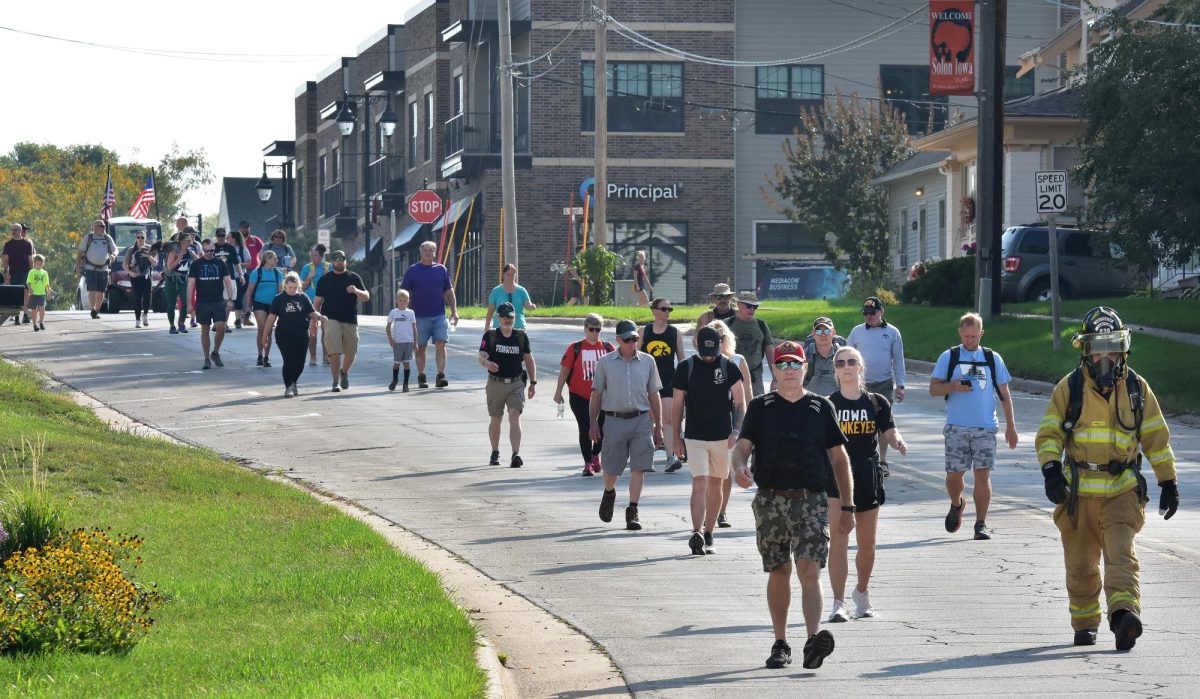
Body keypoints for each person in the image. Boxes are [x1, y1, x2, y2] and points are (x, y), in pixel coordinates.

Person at [1035, 307, 1178, 650]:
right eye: (1098, 349)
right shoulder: (1069, 389)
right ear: (1085, 351)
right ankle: (1085, 623)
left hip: (1122, 491)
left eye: (1111, 348)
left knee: (1120, 554)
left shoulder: (1136, 389)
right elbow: (1050, 434)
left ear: (1122, 350)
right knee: (1081, 562)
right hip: (1079, 494)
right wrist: (1052, 469)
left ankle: (1123, 616)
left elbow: (1156, 438)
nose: (1105, 357)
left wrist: (1168, 481)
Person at [731, 341, 852, 671]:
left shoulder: (821, 407)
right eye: (782, 364)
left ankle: (813, 641)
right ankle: (781, 642)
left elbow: (839, 460)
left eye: (794, 364)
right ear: (774, 370)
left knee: (809, 568)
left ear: (805, 368)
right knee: (779, 570)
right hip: (770, 499)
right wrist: (739, 468)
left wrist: (849, 505)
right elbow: (742, 448)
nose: (788, 370)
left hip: (811, 499)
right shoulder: (761, 407)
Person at [825, 346, 907, 623]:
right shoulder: (828, 404)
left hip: (867, 473)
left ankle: (861, 592)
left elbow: (889, 428)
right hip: (837, 477)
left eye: (851, 362)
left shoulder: (876, 402)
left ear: (861, 367)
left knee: (867, 544)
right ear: (835, 369)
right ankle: (837, 602)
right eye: (840, 363)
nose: (846, 366)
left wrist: (897, 441)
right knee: (838, 540)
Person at [929, 312, 1018, 541]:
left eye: (974, 336)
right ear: (960, 333)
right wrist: (953, 386)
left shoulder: (992, 358)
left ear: (981, 334)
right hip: (957, 426)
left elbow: (1005, 395)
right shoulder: (949, 357)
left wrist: (1011, 427)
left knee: (982, 474)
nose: (970, 340)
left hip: (985, 427)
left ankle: (981, 523)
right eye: (967, 336)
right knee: (954, 475)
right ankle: (957, 503)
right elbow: (934, 390)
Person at [672, 325, 746, 555]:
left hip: (722, 438)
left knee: (716, 485)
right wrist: (676, 437)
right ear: (696, 344)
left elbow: (741, 403)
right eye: (704, 351)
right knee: (700, 483)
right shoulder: (686, 368)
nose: (707, 357)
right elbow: (676, 407)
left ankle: (709, 533)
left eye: (711, 352)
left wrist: (736, 430)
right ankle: (696, 531)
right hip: (694, 437)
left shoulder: (728, 367)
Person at [589, 320, 664, 532]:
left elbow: (654, 394)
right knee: (611, 469)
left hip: (641, 419)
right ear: (619, 340)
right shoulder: (605, 363)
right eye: (628, 339)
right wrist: (593, 423)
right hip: (613, 419)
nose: (633, 343)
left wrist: (658, 426)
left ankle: (633, 510)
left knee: (639, 467)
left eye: (635, 339)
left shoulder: (648, 362)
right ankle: (609, 491)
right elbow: (596, 394)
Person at [847, 296, 907, 468]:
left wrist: (900, 385)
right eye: (866, 313)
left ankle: (882, 460)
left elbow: (898, 360)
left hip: (884, 383)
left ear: (881, 312)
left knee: (883, 422)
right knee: (861, 422)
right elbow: (846, 356)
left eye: (873, 312)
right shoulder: (856, 331)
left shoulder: (893, 332)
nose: (869, 316)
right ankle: (861, 456)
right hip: (861, 383)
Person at [554, 314, 614, 476]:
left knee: (603, 428)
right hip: (579, 395)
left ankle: (595, 455)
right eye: (592, 329)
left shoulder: (608, 348)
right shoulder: (576, 347)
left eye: (598, 330)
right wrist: (558, 392)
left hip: (603, 397)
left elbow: (616, 371)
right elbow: (565, 371)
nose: (595, 333)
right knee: (585, 427)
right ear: (585, 329)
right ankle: (587, 462)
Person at [478, 302, 537, 468]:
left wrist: (533, 382)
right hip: (495, 383)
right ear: (498, 318)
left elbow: (529, 360)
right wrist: (487, 364)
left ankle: (515, 453)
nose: (507, 320)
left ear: (514, 318)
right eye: (504, 317)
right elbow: (481, 356)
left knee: (514, 415)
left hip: (516, 383)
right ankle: (495, 451)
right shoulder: (490, 336)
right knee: (496, 418)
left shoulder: (520, 336)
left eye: (510, 317)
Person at [708, 320, 754, 529]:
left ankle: (722, 512)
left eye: (721, 337)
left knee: (725, 470)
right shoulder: (701, 360)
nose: (718, 341)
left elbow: (747, 394)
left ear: (727, 339)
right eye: (712, 338)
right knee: (709, 471)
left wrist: (748, 425)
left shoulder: (737, 360)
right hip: (709, 418)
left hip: (733, 414)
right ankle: (709, 510)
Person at [399, 241, 459, 389]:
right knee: (421, 347)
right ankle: (421, 376)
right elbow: (403, 293)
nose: (428, 253)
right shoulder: (413, 271)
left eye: (431, 250)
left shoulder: (441, 270)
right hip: (419, 316)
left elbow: (449, 292)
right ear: (421, 252)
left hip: (439, 315)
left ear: (434, 252)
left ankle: (440, 375)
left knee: (441, 343)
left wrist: (454, 311)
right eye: (425, 250)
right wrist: (402, 314)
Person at [639, 297, 686, 472]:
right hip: (646, 380)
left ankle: (670, 457)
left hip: (668, 380)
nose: (667, 312)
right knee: (649, 419)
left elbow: (681, 359)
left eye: (669, 309)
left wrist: (685, 383)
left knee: (667, 418)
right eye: (664, 309)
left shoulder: (675, 332)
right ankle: (647, 458)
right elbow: (635, 355)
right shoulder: (644, 331)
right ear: (654, 311)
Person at [315, 250, 369, 393]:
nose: (339, 261)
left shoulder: (354, 277)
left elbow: (366, 297)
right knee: (334, 351)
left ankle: (344, 372)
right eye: (336, 259)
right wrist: (315, 320)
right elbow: (317, 302)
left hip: (350, 319)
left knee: (351, 352)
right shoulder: (324, 280)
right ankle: (334, 381)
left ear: (346, 261)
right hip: (330, 319)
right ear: (332, 262)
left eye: (342, 259)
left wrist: (356, 291)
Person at [263, 272, 324, 398]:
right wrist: (265, 335)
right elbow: (271, 318)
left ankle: (294, 381)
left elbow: (312, 312)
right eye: (290, 287)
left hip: (302, 335)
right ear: (285, 285)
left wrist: (320, 317)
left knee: (300, 363)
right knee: (289, 360)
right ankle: (288, 387)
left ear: (299, 286)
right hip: (284, 335)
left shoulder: (303, 297)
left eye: (295, 288)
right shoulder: (279, 299)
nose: (292, 290)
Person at [186, 239, 235, 370]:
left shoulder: (220, 263)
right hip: (202, 302)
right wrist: (189, 304)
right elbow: (190, 285)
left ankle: (215, 352)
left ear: (214, 250)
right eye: (207, 251)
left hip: (218, 301)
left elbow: (228, 282)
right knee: (205, 330)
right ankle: (206, 358)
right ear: (202, 250)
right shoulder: (196, 264)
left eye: (212, 251)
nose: (209, 253)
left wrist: (230, 299)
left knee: (221, 327)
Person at [724, 291, 775, 397]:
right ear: (739, 305)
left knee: (757, 410)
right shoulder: (727, 324)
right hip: (730, 378)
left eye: (755, 306)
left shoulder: (762, 326)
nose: (752, 309)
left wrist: (776, 378)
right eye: (748, 306)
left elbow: (770, 353)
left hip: (755, 379)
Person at [247, 250, 284, 367]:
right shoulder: (256, 273)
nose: (275, 260)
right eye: (273, 258)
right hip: (259, 303)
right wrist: (247, 307)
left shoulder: (278, 273)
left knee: (268, 331)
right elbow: (250, 291)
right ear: (266, 259)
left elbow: (280, 291)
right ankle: (259, 355)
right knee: (262, 329)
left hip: (273, 305)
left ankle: (266, 357)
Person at [76, 219, 117, 320]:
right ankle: (93, 309)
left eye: (104, 226)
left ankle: (96, 310)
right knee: (92, 290)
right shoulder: (89, 237)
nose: (104, 228)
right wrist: (77, 266)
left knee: (101, 291)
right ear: (95, 228)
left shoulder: (107, 238)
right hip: (90, 268)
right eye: (101, 226)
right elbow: (80, 252)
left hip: (104, 269)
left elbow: (115, 249)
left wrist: (113, 255)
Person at [164, 229, 199, 334]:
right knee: (171, 302)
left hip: (184, 279)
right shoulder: (174, 251)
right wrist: (178, 258)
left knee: (185, 302)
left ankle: (181, 323)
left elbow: (198, 261)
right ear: (182, 242)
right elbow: (169, 267)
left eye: (190, 240)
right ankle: (172, 326)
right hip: (171, 279)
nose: (191, 241)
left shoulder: (190, 251)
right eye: (188, 240)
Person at [300, 244, 330, 365]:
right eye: (311, 256)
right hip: (311, 302)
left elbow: (335, 285)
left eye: (315, 256)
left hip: (326, 302)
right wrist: (308, 277)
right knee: (312, 330)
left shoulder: (329, 267)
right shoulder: (307, 268)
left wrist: (328, 275)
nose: (313, 258)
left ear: (322, 256)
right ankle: (313, 357)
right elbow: (301, 287)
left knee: (326, 330)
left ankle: (326, 356)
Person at [803, 317, 846, 397]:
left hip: (835, 404)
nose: (823, 334)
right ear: (813, 334)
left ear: (833, 332)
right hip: (810, 404)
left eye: (827, 331)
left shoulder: (843, 356)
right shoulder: (804, 356)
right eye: (818, 331)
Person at [122, 230, 158, 328]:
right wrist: (130, 273)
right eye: (138, 237)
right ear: (136, 238)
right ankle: (137, 320)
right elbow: (124, 265)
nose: (140, 239)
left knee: (147, 297)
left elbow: (155, 263)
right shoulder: (131, 250)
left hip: (146, 276)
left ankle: (145, 314)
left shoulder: (150, 248)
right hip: (136, 276)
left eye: (142, 237)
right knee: (138, 298)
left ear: (145, 238)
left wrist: (148, 255)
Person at [486, 263, 537, 330]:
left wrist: (531, 307)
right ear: (503, 275)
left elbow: (528, 305)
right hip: (500, 328)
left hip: (518, 327)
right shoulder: (496, 291)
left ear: (515, 275)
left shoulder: (522, 290)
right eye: (508, 274)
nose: (510, 276)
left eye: (512, 274)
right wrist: (487, 327)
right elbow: (490, 311)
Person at [386, 289, 419, 392]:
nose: (402, 302)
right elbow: (388, 327)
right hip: (398, 342)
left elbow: (414, 328)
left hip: (408, 342)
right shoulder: (393, 313)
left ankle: (405, 384)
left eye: (404, 300)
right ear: (397, 301)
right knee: (396, 363)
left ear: (408, 301)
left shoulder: (410, 313)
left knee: (406, 363)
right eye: (400, 300)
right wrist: (391, 339)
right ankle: (395, 380)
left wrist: (415, 342)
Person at [3, 223, 35, 324]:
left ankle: (25, 315)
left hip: (26, 271)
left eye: (16, 229)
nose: (13, 231)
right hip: (13, 272)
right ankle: (16, 315)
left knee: (25, 292)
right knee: (15, 294)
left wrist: (32, 272)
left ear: (20, 231)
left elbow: (30, 259)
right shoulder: (8, 244)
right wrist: (6, 272)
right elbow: (5, 259)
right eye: (12, 229)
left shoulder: (27, 244)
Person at [212, 229, 242, 324]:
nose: (221, 237)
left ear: (225, 236)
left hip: (230, 277)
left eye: (223, 235)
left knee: (229, 303)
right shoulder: (212, 248)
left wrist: (241, 275)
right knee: (217, 302)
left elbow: (237, 263)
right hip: (216, 279)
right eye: (219, 235)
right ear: (216, 236)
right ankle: (217, 323)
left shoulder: (230, 248)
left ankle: (224, 323)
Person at [238, 221, 264, 326]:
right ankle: (239, 317)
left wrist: (261, 266)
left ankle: (247, 317)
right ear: (239, 228)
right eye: (243, 228)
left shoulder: (255, 240)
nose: (245, 230)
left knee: (251, 294)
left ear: (250, 228)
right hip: (240, 271)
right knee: (241, 295)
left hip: (254, 271)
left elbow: (263, 253)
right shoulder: (236, 241)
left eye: (247, 227)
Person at [228, 228, 251, 329]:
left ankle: (238, 320)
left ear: (234, 238)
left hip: (240, 278)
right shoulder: (225, 249)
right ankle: (222, 321)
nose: (226, 239)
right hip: (227, 278)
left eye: (228, 237)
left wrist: (237, 264)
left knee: (238, 298)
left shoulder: (242, 249)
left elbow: (249, 263)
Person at [24, 254, 50, 331]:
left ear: (43, 264)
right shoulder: (31, 272)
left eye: (41, 263)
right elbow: (28, 282)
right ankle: (34, 325)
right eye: (38, 263)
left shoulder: (44, 273)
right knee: (34, 309)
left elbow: (47, 283)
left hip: (42, 293)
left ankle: (41, 322)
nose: (39, 265)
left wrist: (48, 291)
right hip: (33, 294)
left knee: (42, 307)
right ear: (35, 263)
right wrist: (30, 289)